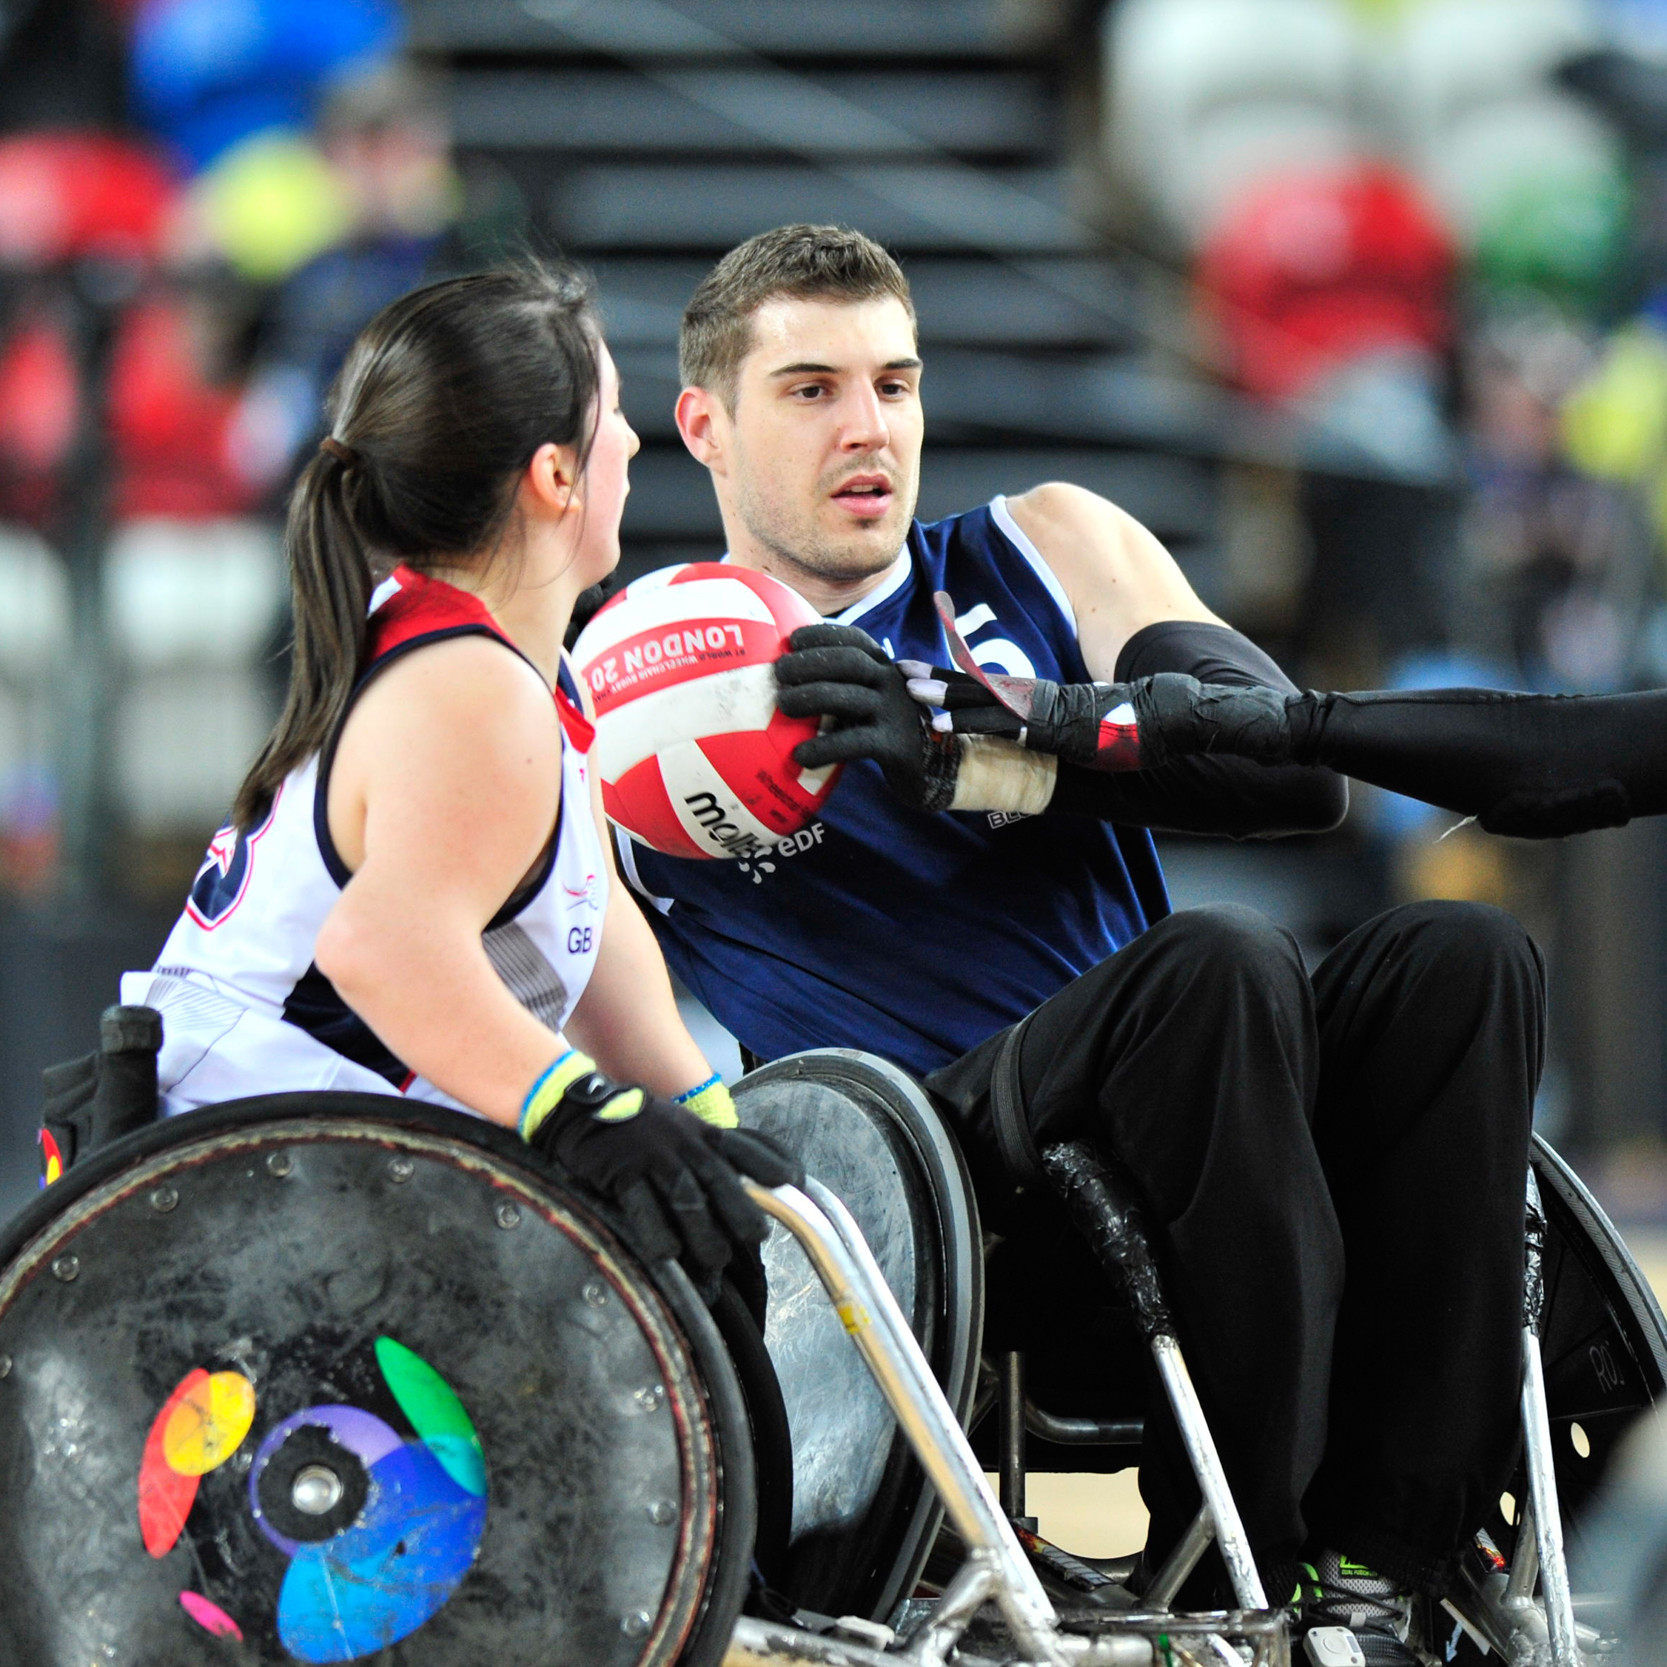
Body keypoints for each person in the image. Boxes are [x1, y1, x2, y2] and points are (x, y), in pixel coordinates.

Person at [617, 224, 1545, 1664]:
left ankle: (1383, 1564)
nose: (868, 427)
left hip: (1204, 1113)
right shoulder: (629, 685)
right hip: (941, 1191)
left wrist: (994, 734)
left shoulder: (1045, 544)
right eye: (808, 389)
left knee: (1460, 959)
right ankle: (1255, 1557)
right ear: (704, 426)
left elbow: (1297, 776)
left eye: (894, 382)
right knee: (1220, 962)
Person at [120, 263, 797, 1296]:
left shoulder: (509, 663)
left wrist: (706, 1118)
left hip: (278, 1200)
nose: (631, 441)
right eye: (610, 415)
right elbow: (382, 947)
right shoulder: (469, 688)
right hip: (220, 1239)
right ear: (553, 477)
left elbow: (589, 913)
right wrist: (582, 1110)